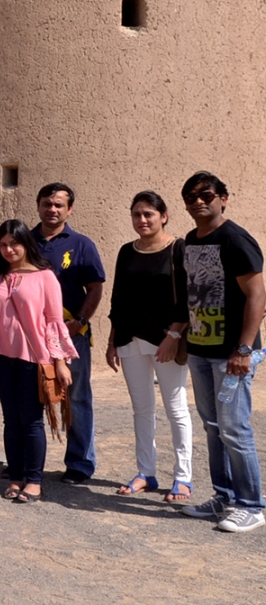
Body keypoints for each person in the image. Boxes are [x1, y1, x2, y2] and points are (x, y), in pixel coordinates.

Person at [177, 171, 266, 532]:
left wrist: (244, 350)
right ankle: (224, 497)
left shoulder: (235, 239)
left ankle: (252, 505)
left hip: (232, 354)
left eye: (207, 195)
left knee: (234, 428)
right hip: (201, 350)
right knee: (213, 427)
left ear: (223, 198)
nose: (199, 201)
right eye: (192, 196)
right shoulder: (190, 240)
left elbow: (258, 296)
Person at [0, 219, 77, 504]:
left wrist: (60, 362)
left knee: (31, 422)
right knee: (10, 420)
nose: (8, 250)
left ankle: (34, 480)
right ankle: (15, 476)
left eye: (14, 243)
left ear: (26, 243)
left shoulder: (45, 277)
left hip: (33, 358)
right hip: (1, 359)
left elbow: (54, 322)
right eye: (3, 245)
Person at [105, 191, 193, 502]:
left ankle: (183, 478)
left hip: (166, 341)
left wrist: (174, 336)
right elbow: (118, 298)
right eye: (136, 214)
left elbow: (187, 298)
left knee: (175, 408)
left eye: (148, 214)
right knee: (142, 409)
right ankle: (146, 472)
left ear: (163, 216)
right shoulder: (126, 251)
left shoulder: (178, 249)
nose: (142, 220)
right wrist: (112, 341)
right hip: (130, 339)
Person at [32, 182, 106, 484]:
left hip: (69, 333)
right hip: (31, 334)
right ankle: (26, 460)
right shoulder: (24, 241)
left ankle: (79, 463)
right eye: (47, 204)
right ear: (38, 205)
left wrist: (79, 321)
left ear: (69, 209)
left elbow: (95, 288)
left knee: (76, 396)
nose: (52, 209)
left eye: (59, 205)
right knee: (29, 397)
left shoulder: (81, 244)